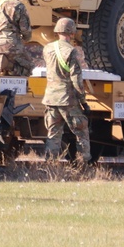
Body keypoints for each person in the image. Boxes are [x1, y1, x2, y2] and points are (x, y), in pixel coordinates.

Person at [42, 17, 91, 163]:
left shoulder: (47, 49)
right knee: (81, 132)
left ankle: (50, 165)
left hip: (50, 98)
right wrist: (84, 102)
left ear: (57, 31)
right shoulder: (71, 52)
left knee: (53, 134)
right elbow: (76, 79)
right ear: (72, 33)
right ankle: (83, 165)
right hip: (67, 99)